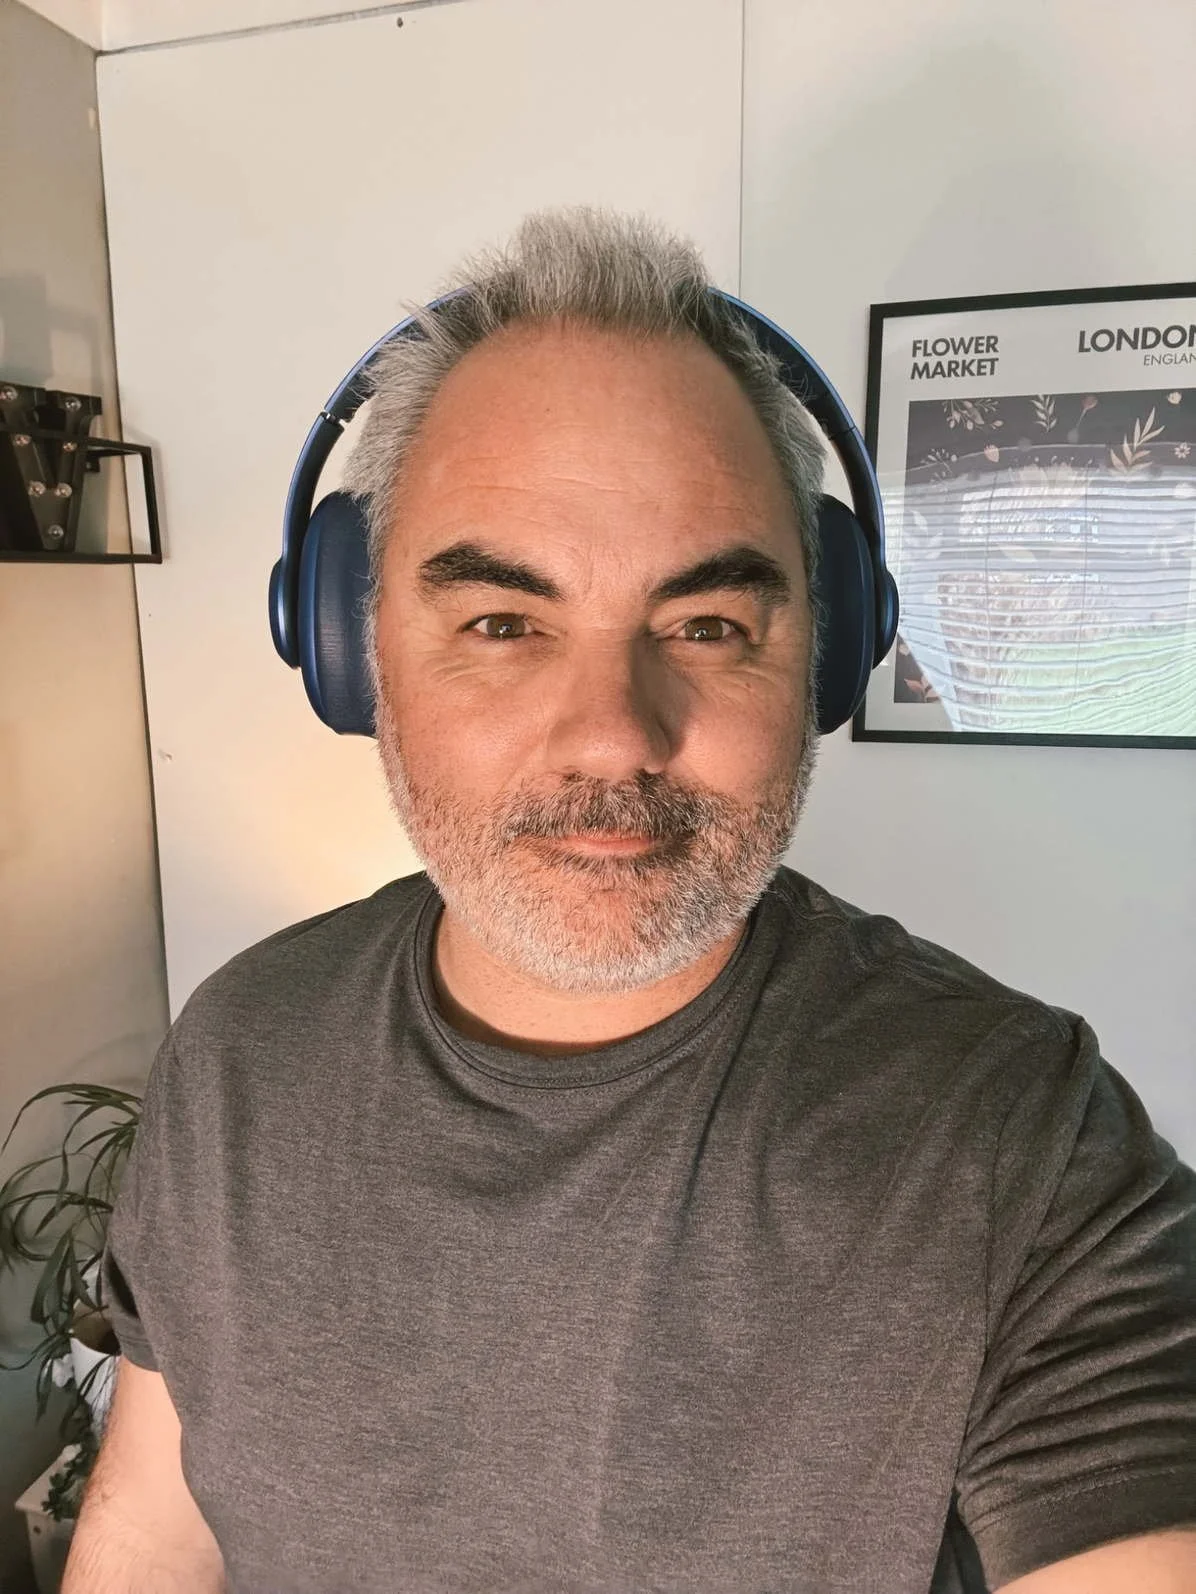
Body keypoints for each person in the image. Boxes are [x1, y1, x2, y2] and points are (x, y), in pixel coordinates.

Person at [66, 209, 1195, 1594]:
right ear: (353, 654)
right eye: (502, 622)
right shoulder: (238, 1046)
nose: (612, 733)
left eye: (706, 624)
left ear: (824, 660)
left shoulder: (1022, 1140)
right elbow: (150, 1530)